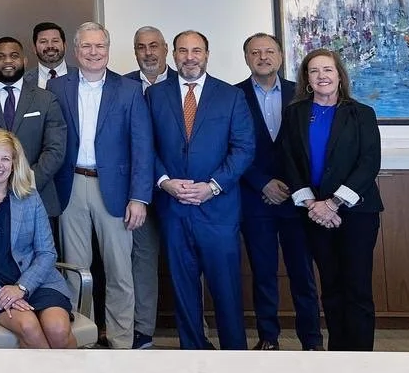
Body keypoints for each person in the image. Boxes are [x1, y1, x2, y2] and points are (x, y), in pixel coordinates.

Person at [147, 30, 254, 351]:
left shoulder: (231, 96)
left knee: (226, 289)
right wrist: (164, 181)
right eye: (183, 51)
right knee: (183, 289)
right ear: (173, 55)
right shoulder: (154, 95)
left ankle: (234, 354)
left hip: (218, 209)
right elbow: (144, 147)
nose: (189, 57)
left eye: (196, 51)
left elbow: (244, 148)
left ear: (207, 54)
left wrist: (213, 186)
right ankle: (192, 353)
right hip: (174, 208)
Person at [47, 21, 150, 350]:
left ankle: (121, 342)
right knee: (76, 271)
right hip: (71, 185)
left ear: (108, 49)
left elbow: (142, 147)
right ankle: (82, 340)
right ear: (75, 51)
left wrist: (139, 197)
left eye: (100, 46)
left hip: (117, 191)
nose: (94, 52)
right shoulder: (58, 88)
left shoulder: (129, 90)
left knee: (120, 271)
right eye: (87, 47)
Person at [277, 48, 383, 351]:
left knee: (357, 287)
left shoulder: (361, 113)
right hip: (314, 213)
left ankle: (361, 356)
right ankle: (338, 355)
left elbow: (369, 163)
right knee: (331, 287)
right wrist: (313, 205)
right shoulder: (295, 113)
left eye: (328, 70)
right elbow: (290, 161)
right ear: (307, 79)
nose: (322, 76)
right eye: (314, 71)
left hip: (357, 213)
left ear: (339, 76)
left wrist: (334, 203)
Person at [0, 128, 77, 349]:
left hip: (37, 283)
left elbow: (47, 252)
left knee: (58, 329)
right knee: (28, 327)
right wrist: (0, 292)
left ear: (13, 163)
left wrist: (21, 288)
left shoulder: (30, 198)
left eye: (5, 158)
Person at [237, 33, 322, 351]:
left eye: (269, 51)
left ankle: (312, 341)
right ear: (246, 58)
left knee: (303, 273)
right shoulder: (232, 96)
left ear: (282, 56)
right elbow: (231, 147)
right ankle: (268, 338)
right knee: (263, 273)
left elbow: (310, 148)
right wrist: (262, 183)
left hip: (298, 199)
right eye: (255, 52)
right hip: (255, 199)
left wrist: (292, 185)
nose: (262, 57)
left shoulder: (302, 93)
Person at [0, 36, 67, 245]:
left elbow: (55, 149)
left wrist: (27, 181)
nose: (8, 61)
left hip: (38, 194)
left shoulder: (46, 99)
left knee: (41, 262)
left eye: (14, 56)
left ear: (25, 61)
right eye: (0, 57)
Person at [123, 24, 176, 350]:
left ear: (165, 48)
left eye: (154, 46)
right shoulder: (123, 85)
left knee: (187, 260)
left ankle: (194, 328)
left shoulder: (184, 82)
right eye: (141, 47)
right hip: (138, 191)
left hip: (179, 189)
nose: (148, 53)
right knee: (141, 262)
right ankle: (143, 331)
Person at [32, 22, 68, 89]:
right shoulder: (23, 80)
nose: (50, 46)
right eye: (43, 41)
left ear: (65, 46)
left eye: (55, 41)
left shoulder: (80, 76)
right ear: (34, 48)